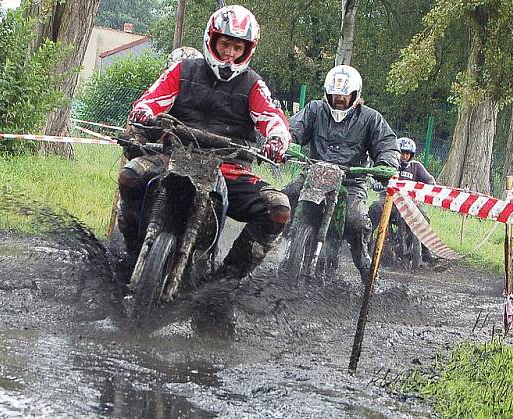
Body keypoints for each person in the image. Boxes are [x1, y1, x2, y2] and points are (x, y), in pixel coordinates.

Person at [117, 5, 292, 330]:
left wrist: (277, 139)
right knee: (130, 176)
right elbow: (154, 97)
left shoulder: (253, 84)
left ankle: (223, 284)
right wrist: (143, 111)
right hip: (172, 156)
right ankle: (130, 250)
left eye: (237, 48)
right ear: (212, 40)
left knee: (278, 208)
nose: (229, 53)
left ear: (247, 51)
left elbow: (271, 116)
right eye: (225, 44)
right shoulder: (183, 70)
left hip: (229, 167)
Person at [282, 65, 400, 284]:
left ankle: (365, 268)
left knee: (356, 223)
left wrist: (386, 164)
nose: (339, 99)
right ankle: (274, 243)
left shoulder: (371, 118)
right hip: (313, 174)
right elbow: (293, 128)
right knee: (284, 197)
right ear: (328, 92)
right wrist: (282, 140)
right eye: (335, 94)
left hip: (351, 182)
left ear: (355, 95)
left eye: (344, 95)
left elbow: (387, 144)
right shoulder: (314, 109)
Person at [368, 137, 436, 264]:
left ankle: (426, 251)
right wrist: (376, 184)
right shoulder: (389, 165)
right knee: (374, 209)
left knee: (424, 218)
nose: (404, 156)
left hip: (411, 204)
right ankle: (365, 242)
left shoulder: (416, 167)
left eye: (407, 154)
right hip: (389, 203)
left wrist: (425, 189)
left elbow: (430, 180)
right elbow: (375, 176)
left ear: (411, 155)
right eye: (402, 153)